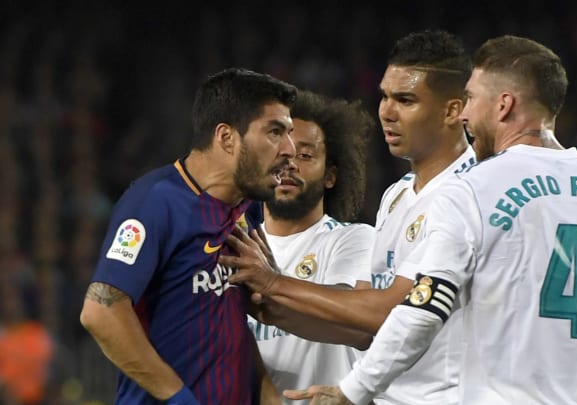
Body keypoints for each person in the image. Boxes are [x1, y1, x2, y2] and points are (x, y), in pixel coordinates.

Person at [285, 35, 577, 405]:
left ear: (504, 105)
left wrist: (353, 391)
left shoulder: (472, 189)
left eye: (472, 98)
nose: (465, 115)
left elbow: (427, 305)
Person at [223, 30, 480, 404]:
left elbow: (390, 311)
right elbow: (361, 329)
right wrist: (262, 309)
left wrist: (275, 284)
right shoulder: (398, 196)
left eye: (405, 100)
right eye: (385, 96)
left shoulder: (471, 193)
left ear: (453, 111)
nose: (387, 112)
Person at [79, 68, 297, 405]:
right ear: (226, 138)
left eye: (289, 133)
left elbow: (228, 314)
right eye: (274, 132)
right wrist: (180, 398)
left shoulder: (246, 208)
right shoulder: (155, 202)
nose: (290, 148)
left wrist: (264, 387)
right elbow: (101, 313)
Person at [246, 89, 376, 404]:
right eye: (280, 153)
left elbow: (355, 321)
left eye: (304, 155)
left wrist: (271, 286)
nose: (289, 165)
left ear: (330, 175)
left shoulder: (353, 239)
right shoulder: (241, 245)